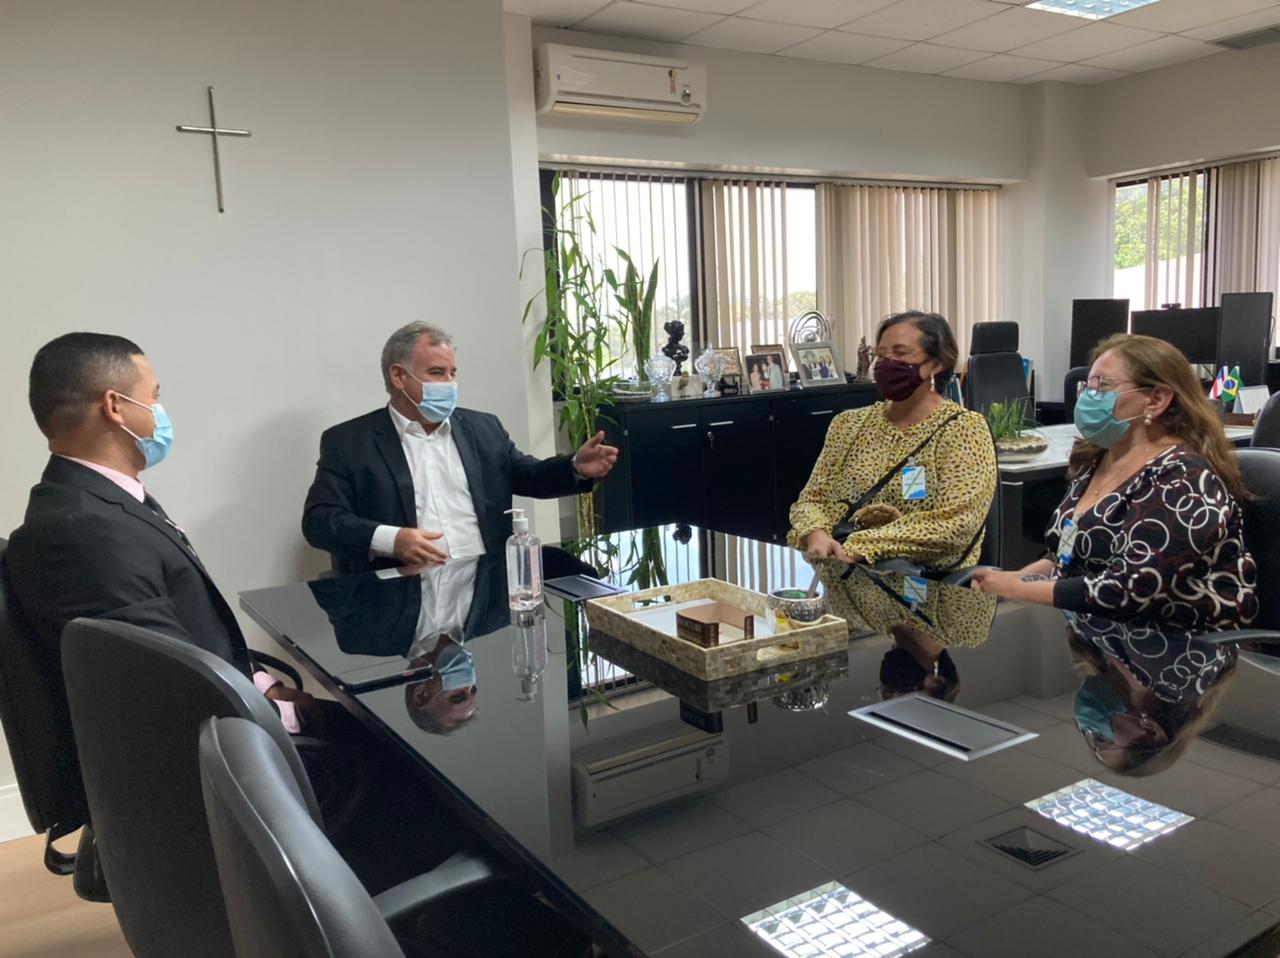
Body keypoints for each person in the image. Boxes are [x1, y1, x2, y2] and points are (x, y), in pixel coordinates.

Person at [970, 334, 1258, 632]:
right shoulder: (1097, 459)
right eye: (1088, 386)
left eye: (1103, 386)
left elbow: (1129, 588)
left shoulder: (1185, 478)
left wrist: (1017, 589)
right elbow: (1065, 556)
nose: (1089, 397)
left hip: (1180, 645)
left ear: (1156, 400)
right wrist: (1017, 577)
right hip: (1097, 634)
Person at [301, 322, 618, 575]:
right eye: (436, 373)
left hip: (487, 589)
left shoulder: (482, 428)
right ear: (398, 376)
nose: (449, 384)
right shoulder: (350, 442)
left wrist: (575, 466)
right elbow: (320, 521)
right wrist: (392, 539)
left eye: (452, 373)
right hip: (403, 593)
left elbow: (529, 475)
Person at [789, 311, 996, 571]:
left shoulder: (963, 430)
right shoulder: (848, 424)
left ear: (937, 363)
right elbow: (810, 500)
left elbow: (956, 525)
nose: (887, 363)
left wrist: (860, 546)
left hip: (919, 584)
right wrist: (816, 533)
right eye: (881, 354)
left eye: (900, 353)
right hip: (841, 574)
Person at [1067, 614, 1236, 776]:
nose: (1086, 728)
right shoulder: (1180, 670)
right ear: (1151, 731)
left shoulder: (1093, 649)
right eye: (1101, 739)